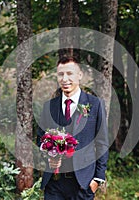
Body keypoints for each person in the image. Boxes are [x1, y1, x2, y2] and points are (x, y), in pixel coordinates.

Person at [37, 56, 109, 200]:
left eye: (69, 74)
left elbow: (102, 143)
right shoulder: (49, 106)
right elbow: (40, 139)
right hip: (54, 183)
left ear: (79, 75)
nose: (65, 79)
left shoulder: (95, 104)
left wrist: (97, 179)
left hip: (83, 183)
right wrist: (49, 156)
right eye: (60, 74)